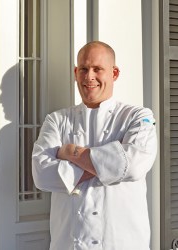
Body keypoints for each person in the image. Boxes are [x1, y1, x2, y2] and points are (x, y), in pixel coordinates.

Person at [32, 41, 157, 250]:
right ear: (75, 72)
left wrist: (69, 152)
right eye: (83, 69)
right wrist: (109, 162)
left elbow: (133, 166)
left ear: (114, 73)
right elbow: (41, 174)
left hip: (123, 243)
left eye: (97, 69)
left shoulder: (137, 116)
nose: (89, 76)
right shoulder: (56, 120)